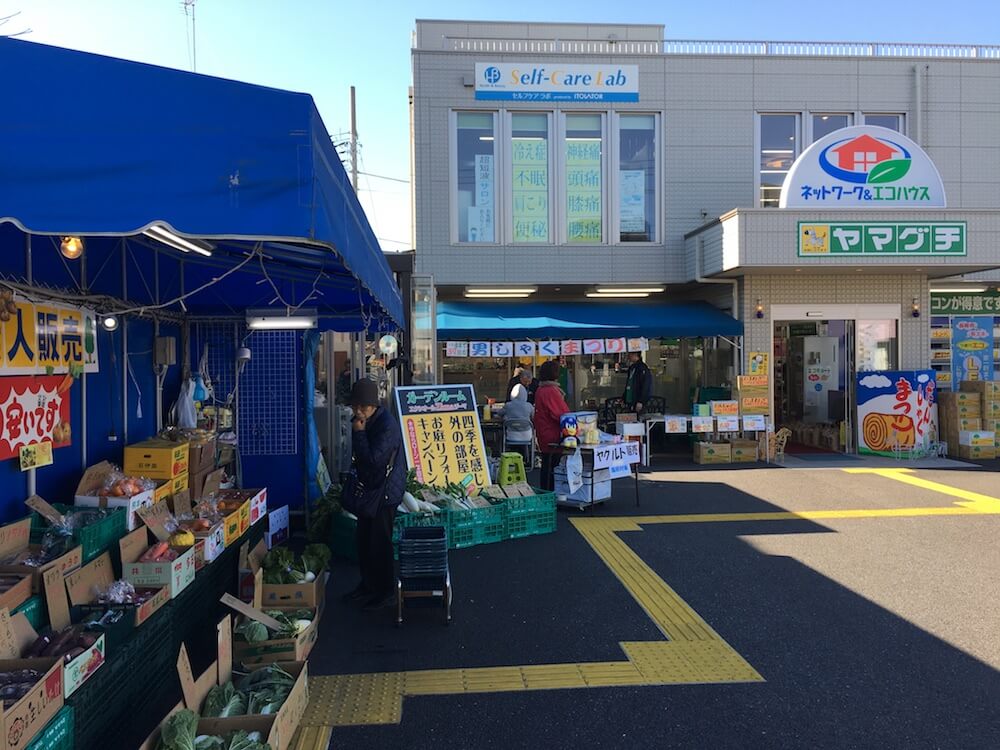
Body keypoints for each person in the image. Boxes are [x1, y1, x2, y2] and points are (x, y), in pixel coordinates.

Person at [342, 378, 405, 611]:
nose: (359, 412)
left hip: (385, 493)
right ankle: (368, 586)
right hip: (372, 490)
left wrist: (358, 434)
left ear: (375, 406)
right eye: (355, 406)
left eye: (364, 407)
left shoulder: (386, 425)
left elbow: (373, 461)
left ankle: (386, 590)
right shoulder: (368, 420)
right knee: (364, 541)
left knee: (380, 543)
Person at [533, 360, 571, 491]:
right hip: (552, 433)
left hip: (543, 431)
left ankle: (545, 492)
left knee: (547, 463)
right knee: (553, 465)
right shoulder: (550, 391)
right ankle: (551, 492)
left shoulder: (540, 389)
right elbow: (561, 413)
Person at [503, 383, 534, 464]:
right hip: (526, 435)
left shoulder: (508, 405)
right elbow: (533, 417)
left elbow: (499, 413)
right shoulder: (529, 406)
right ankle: (526, 459)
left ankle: (511, 459)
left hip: (511, 435)